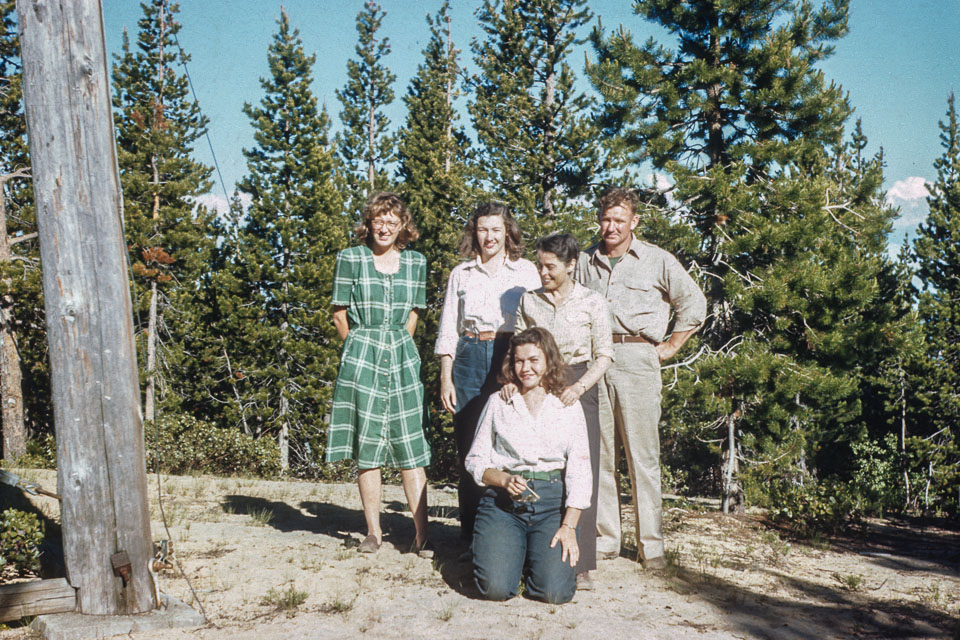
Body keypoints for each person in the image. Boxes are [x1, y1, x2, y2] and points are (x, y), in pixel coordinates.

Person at [575, 186, 706, 569]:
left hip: (637, 359)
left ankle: (652, 546)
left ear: (634, 222)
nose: (611, 227)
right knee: (600, 456)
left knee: (642, 456)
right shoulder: (586, 261)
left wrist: (670, 346)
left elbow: (693, 303)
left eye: (619, 220)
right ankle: (606, 540)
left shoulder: (656, 260)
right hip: (594, 359)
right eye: (606, 219)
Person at [328, 192, 431, 556]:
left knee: (409, 443)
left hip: (401, 355)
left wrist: (399, 346)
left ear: (403, 226)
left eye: (392, 221)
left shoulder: (415, 263)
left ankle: (422, 535)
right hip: (362, 354)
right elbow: (340, 313)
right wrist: (357, 348)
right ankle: (374, 532)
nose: (384, 228)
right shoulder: (352, 258)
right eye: (378, 220)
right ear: (368, 224)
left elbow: (414, 313)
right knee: (369, 443)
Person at [510, 233, 613, 589]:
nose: (542, 272)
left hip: (578, 384)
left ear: (571, 266)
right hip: (536, 383)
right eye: (539, 265)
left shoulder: (592, 302)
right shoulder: (529, 301)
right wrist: (514, 380)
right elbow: (518, 347)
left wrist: (578, 388)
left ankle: (581, 562)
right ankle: (532, 550)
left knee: (582, 468)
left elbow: (604, 355)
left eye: (550, 266)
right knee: (538, 462)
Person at [435, 203, 540, 542]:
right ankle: (471, 537)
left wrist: (519, 369)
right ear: (474, 233)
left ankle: (513, 531)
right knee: (471, 448)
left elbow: (537, 326)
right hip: (468, 357)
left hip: (510, 354)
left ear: (508, 232)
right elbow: (448, 329)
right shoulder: (461, 274)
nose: (489, 236)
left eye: (496, 229)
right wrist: (446, 377)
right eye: (482, 229)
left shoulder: (525, 272)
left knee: (512, 442)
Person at [465, 327, 591, 604]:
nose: (526, 368)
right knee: (495, 589)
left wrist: (569, 526)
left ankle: (526, 557)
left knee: (554, 593)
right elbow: (475, 460)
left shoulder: (567, 405)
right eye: (519, 361)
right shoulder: (499, 401)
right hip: (503, 504)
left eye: (534, 360)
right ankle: (502, 552)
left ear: (548, 361)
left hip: (551, 504)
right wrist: (503, 480)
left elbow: (580, 471)